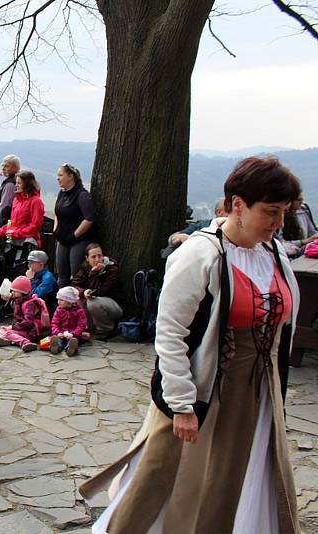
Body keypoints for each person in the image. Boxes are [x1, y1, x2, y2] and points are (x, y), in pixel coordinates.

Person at [81, 156, 302, 534]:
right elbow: (170, 334)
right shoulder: (201, 254)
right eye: (271, 212)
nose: (280, 223)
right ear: (237, 205)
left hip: (259, 393)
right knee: (174, 478)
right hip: (207, 388)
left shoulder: (273, 255)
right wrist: (182, 405)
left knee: (244, 475)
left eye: (284, 212)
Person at [53, 163, 95, 287]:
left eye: (61, 175)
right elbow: (57, 212)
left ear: (71, 176)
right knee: (62, 274)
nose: (58, 178)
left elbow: (89, 218)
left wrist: (74, 235)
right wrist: (56, 228)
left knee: (76, 273)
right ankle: (62, 302)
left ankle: (76, 304)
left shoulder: (82, 195)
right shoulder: (62, 193)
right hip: (62, 238)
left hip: (78, 239)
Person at [70, 243, 124, 337]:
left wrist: (94, 273)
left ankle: (105, 329)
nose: (97, 259)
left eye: (99, 256)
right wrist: (84, 292)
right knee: (77, 297)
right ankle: (88, 326)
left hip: (114, 306)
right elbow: (75, 285)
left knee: (92, 302)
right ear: (87, 258)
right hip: (96, 299)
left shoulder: (112, 269)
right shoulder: (85, 267)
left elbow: (102, 291)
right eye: (93, 257)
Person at [0, 275, 49, 353]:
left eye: (15, 291)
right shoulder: (19, 300)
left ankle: (24, 342)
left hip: (31, 332)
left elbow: (28, 323)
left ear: (23, 292)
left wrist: (13, 327)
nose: (12, 293)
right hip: (24, 329)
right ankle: (10, 340)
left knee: (7, 332)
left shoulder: (30, 304)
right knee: (2, 329)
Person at [162, 198, 228, 259]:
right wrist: (187, 239)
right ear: (219, 212)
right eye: (229, 209)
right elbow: (174, 237)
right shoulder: (202, 225)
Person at [0, 170, 44, 246]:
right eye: (16, 183)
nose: (16, 185)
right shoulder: (16, 199)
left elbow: (35, 226)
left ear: (27, 184)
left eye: (19, 183)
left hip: (28, 243)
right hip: (14, 241)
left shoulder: (36, 201)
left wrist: (16, 233)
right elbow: (13, 224)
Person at [48, 286, 88, 356]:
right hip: (62, 333)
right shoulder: (58, 310)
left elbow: (82, 325)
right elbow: (54, 323)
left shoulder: (79, 311)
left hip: (74, 334)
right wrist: (58, 332)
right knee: (58, 339)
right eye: (58, 299)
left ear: (70, 301)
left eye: (61, 300)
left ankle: (70, 348)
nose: (59, 302)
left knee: (75, 340)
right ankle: (56, 347)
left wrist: (73, 333)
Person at [0, 154, 20, 229]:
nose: (3, 168)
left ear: (15, 167)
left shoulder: (11, 184)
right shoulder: (11, 181)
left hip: (6, 223)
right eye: (2, 166)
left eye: (6, 166)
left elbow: (5, 205)